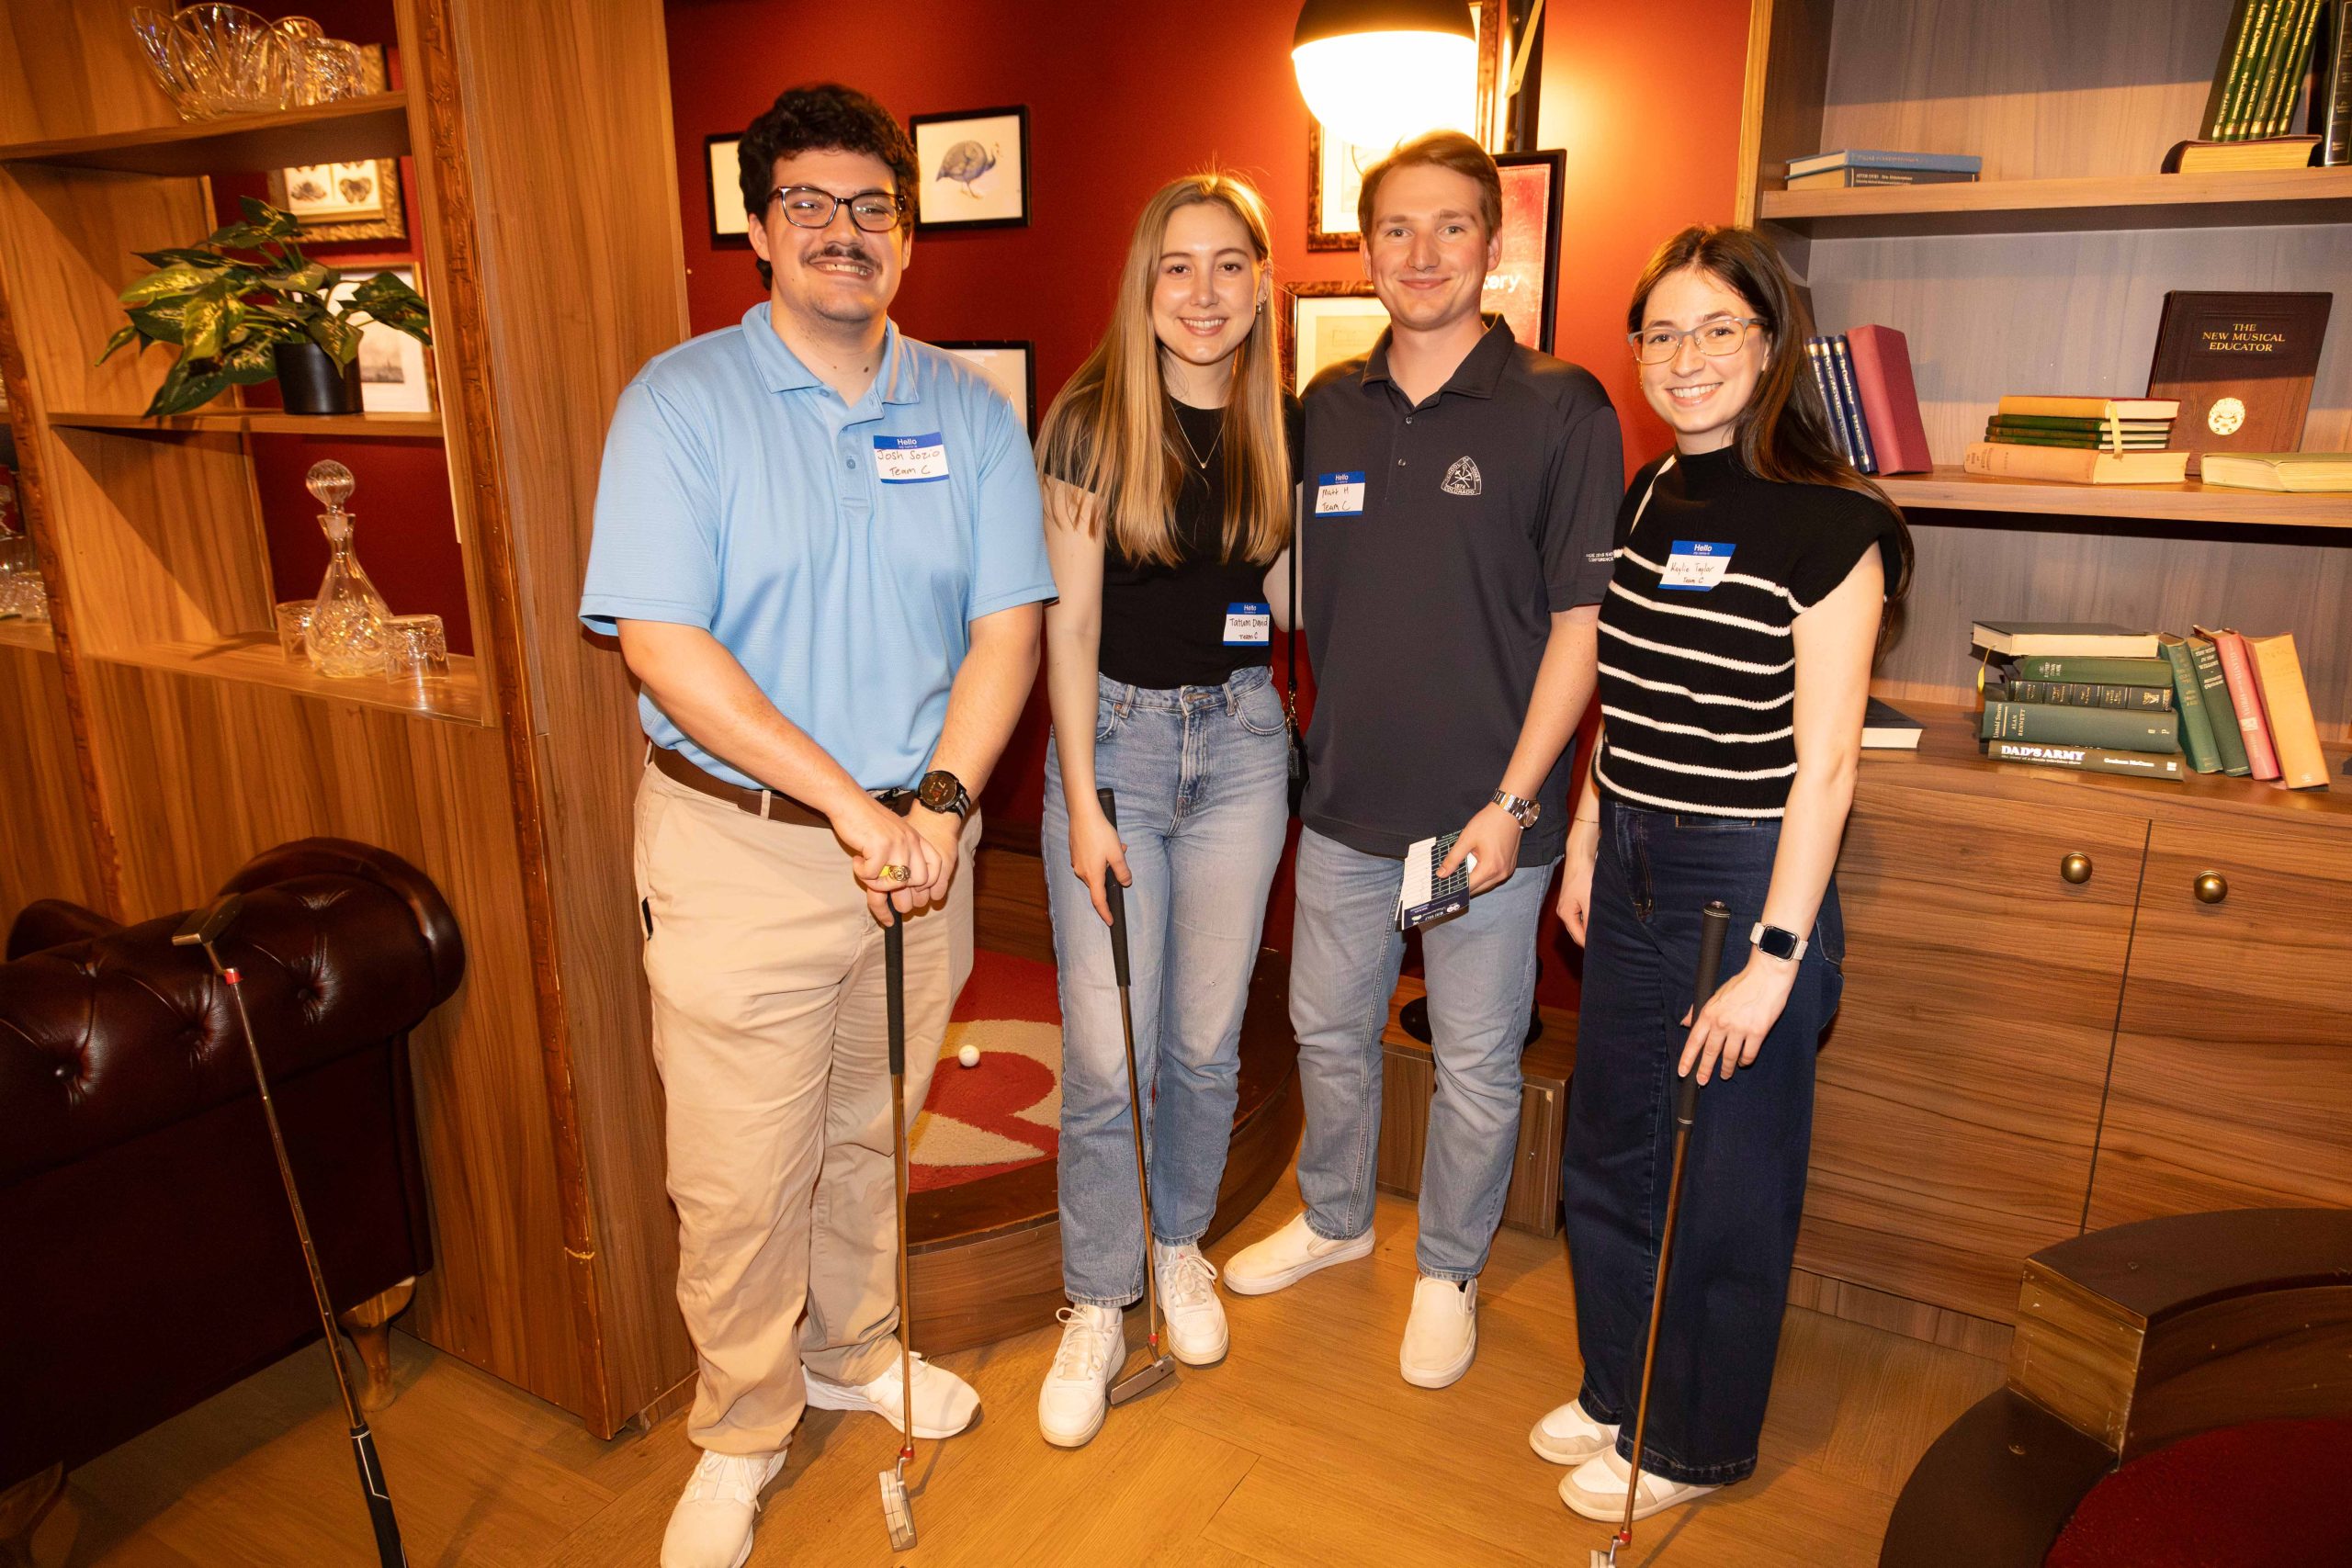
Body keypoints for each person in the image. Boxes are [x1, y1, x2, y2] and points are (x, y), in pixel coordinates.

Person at [579, 83, 1054, 1568]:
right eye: (810, 204)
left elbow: (1007, 631)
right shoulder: (679, 405)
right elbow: (660, 642)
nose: (844, 232)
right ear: (759, 229)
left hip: (920, 850)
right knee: (737, 1175)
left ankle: (852, 1351)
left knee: (871, 1129)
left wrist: (941, 806)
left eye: (871, 208)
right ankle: (741, 1429)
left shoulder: (969, 415)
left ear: (906, 235)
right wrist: (855, 805)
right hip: (744, 849)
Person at [1222, 131, 1623, 1393]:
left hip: (1486, 820)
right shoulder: (1324, 406)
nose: (1424, 252)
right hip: (1345, 802)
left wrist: (1515, 801)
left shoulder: (1562, 407)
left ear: (1492, 246)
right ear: (1366, 247)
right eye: (1397, 228)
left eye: (1452, 226)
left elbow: (1583, 627)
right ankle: (1338, 1220)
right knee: (1325, 1034)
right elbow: (1284, 582)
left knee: (1476, 1065)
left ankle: (1448, 1270)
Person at [1534, 225, 1909, 1525]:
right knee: (1611, 1146)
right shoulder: (1649, 493)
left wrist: (1777, 956)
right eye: (1662, 332)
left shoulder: (1839, 525)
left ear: (1770, 344)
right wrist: (1590, 828)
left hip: (1746, 878)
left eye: (1717, 330)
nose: (1686, 358)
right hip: (1635, 854)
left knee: (1721, 1182)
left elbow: (1828, 766)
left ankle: (1689, 1441)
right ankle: (1617, 1387)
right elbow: (1627, 693)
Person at [1027, 172, 1300, 1448]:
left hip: (1243, 747)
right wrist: (1083, 800)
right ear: (1143, 285)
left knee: (1202, 1038)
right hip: (1119, 752)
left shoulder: (1279, 426)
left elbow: (1284, 604)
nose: (1203, 291)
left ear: (1261, 285)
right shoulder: (1088, 424)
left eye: (1229, 264)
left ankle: (1177, 1243)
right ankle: (1098, 1295)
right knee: (1107, 1052)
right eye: (1177, 265)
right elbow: (1070, 625)